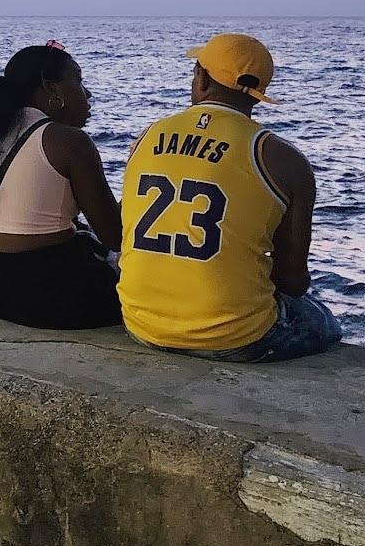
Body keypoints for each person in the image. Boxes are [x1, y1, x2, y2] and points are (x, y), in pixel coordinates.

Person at [118, 34, 341, 363]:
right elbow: (293, 281)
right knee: (324, 322)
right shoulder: (282, 158)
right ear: (259, 94)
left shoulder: (148, 136)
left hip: (141, 324)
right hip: (232, 339)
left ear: (202, 78)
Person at [0, 43, 123, 329]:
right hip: (53, 295)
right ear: (51, 90)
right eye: (79, 82)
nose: (87, 94)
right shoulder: (68, 142)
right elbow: (115, 236)